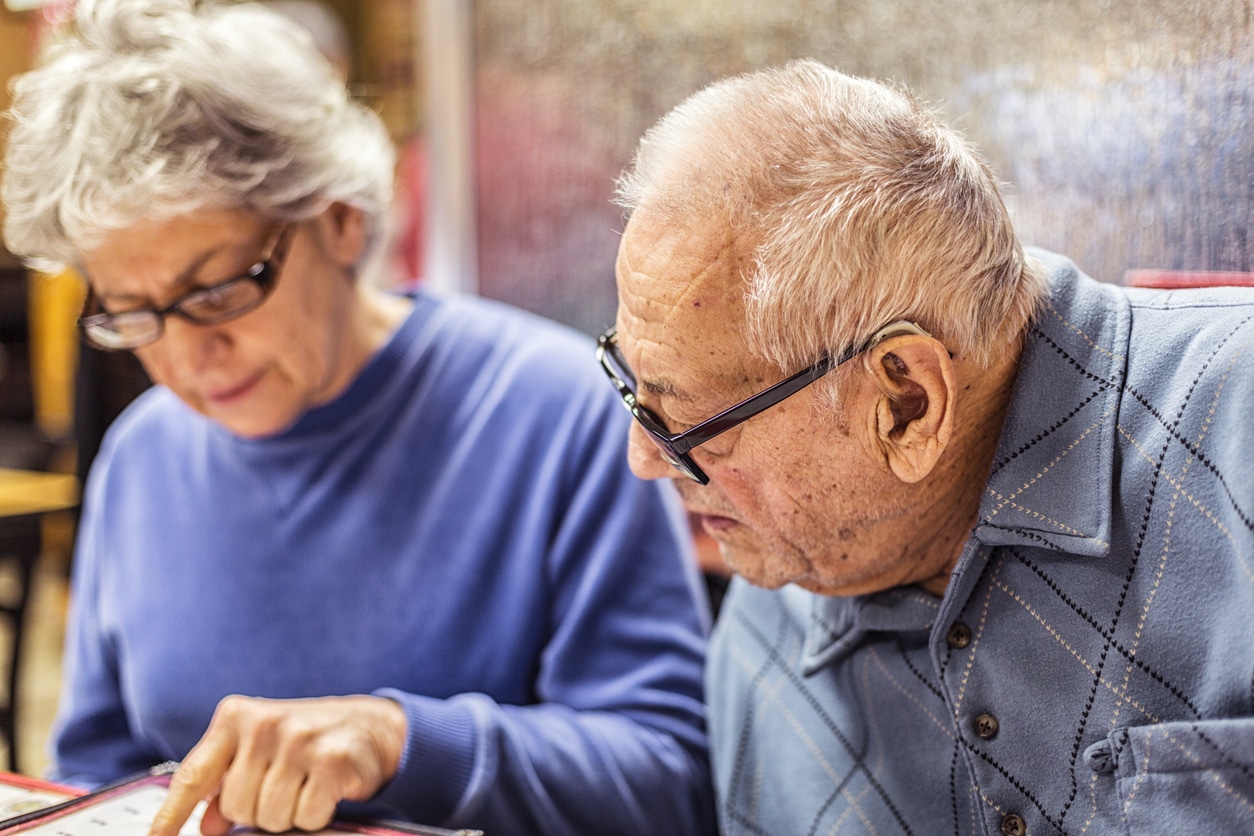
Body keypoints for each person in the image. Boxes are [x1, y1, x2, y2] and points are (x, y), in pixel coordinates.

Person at [0, 2, 716, 835]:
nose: (188, 358)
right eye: (135, 314)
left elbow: (670, 779)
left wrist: (402, 742)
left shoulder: (553, 414)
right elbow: (95, 776)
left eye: (218, 291)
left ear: (340, 219)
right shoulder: (142, 456)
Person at [600, 59, 1254, 836]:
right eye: (631, 387)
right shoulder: (767, 632)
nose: (643, 459)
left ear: (908, 403)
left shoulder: (1234, 430)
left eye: (687, 426)